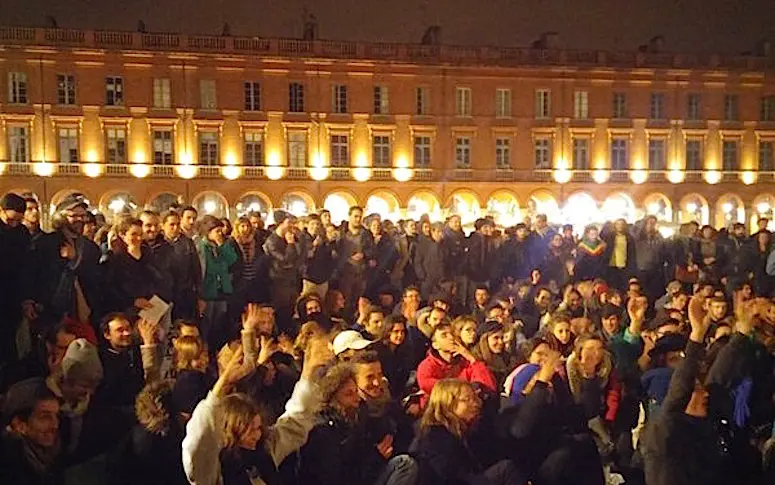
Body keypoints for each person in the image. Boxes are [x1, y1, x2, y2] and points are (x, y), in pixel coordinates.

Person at [182, 337, 331, 485]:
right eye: (248, 430)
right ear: (231, 429)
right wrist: (221, 386)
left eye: (258, 428)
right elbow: (198, 442)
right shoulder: (215, 469)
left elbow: (295, 422)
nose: (256, 435)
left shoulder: (264, 451)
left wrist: (308, 374)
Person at [299, 362, 419, 485]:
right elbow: (338, 478)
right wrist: (375, 457)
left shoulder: (357, 415)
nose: (357, 398)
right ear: (332, 398)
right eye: (349, 394)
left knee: (404, 463)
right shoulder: (323, 431)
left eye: (356, 391)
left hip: (363, 473)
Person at [410, 379, 526, 485]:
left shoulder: (464, 430)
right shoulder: (436, 437)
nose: (475, 403)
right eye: (467, 399)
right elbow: (453, 477)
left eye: (475, 398)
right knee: (505, 470)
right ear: (448, 404)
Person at [416, 322, 496, 407]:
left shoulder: (466, 363)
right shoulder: (427, 365)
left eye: (452, 334)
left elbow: (489, 385)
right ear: (435, 345)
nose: (451, 338)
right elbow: (433, 388)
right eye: (444, 336)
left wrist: (471, 358)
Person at [0, 379, 63, 485]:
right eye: (45, 417)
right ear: (19, 425)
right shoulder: (7, 465)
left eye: (56, 416)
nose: (55, 425)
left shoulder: (54, 451)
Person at [104, 217, 168, 313]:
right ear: (122, 235)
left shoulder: (148, 254)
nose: (138, 238)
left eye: (140, 234)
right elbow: (110, 288)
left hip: (151, 309)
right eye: (133, 234)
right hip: (125, 310)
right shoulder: (114, 258)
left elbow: (158, 279)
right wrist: (132, 301)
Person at [197, 216, 239, 352]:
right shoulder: (201, 247)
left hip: (222, 292)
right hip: (208, 293)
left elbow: (232, 260)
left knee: (219, 326)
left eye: (221, 231)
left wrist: (222, 245)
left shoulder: (223, 245)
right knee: (206, 326)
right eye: (217, 231)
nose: (220, 234)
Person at [161, 210, 203, 321]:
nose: (175, 228)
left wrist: (199, 295)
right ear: (163, 225)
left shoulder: (187, 243)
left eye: (177, 224)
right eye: (171, 225)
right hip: (164, 296)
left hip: (185, 294)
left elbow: (196, 270)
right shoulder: (158, 244)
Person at [263, 211, 302, 330]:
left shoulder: (290, 238)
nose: (292, 226)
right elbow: (284, 261)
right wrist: (290, 245)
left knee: (290, 312)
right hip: (279, 282)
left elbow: (299, 258)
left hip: (291, 282)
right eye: (289, 223)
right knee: (281, 314)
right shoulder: (272, 241)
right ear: (280, 223)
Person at [337, 206, 371, 309]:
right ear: (349, 216)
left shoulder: (366, 234)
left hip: (361, 273)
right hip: (345, 272)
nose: (358, 219)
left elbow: (372, 250)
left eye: (360, 217)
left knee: (358, 303)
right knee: (345, 302)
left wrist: (364, 254)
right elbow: (336, 251)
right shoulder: (341, 232)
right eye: (355, 216)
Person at [302, 213, 334, 299]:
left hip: (322, 279)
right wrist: (314, 246)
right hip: (309, 278)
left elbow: (329, 257)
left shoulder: (322, 239)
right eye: (312, 224)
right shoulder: (302, 238)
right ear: (307, 225)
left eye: (317, 224)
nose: (315, 226)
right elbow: (303, 257)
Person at [414, 222, 447, 300]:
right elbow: (418, 262)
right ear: (432, 231)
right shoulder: (423, 244)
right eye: (439, 232)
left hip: (441, 280)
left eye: (442, 232)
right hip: (427, 279)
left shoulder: (445, 245)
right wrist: (422, 276)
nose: (441, 234)